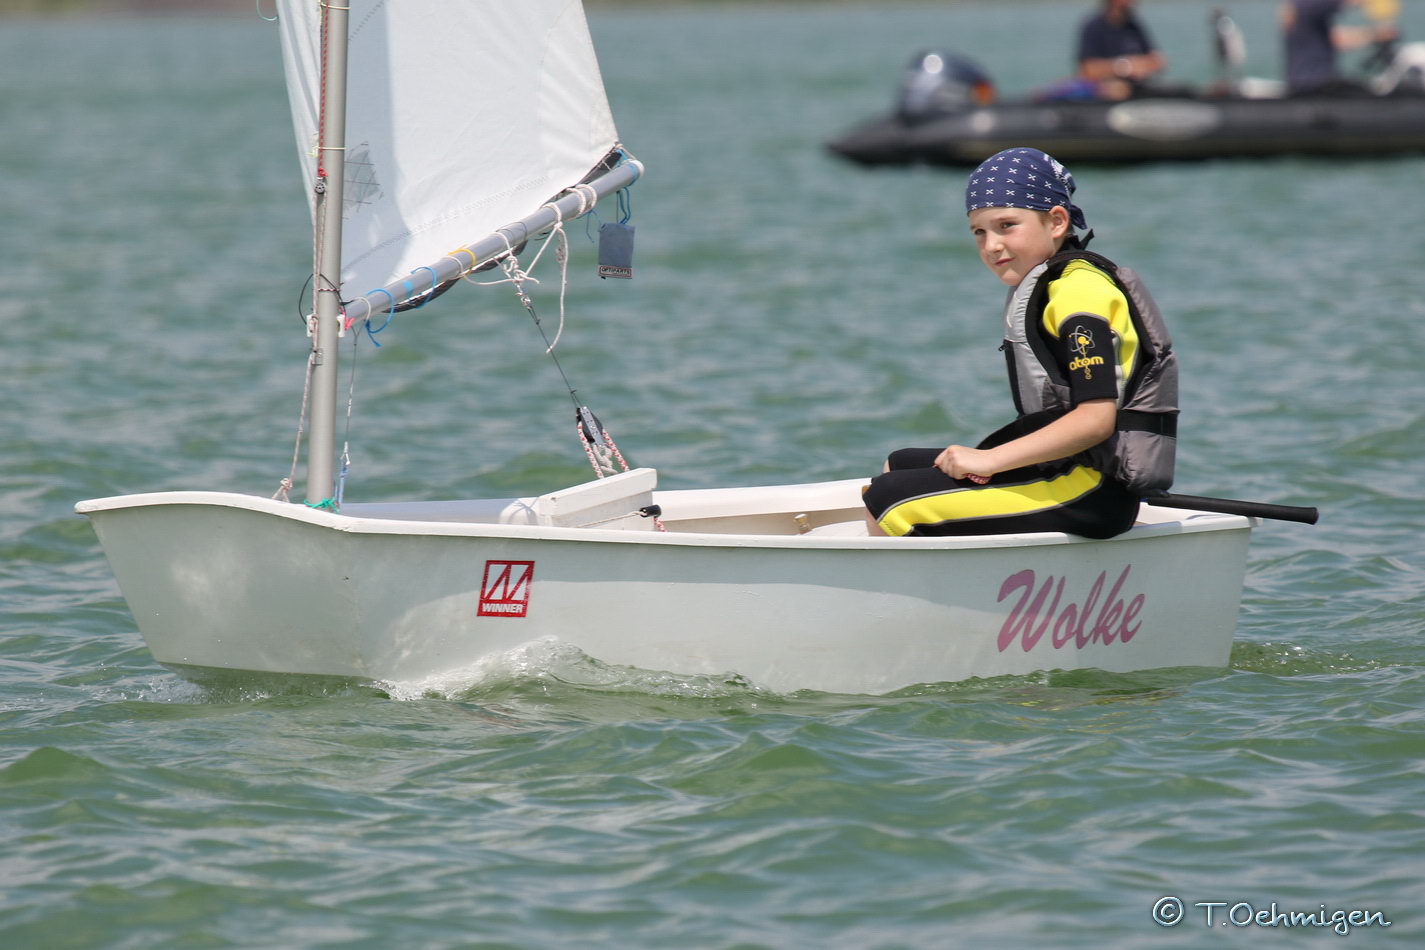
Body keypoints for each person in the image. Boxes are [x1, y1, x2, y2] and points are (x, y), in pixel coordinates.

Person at [862, 147, 1178, 539]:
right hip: (1065, 467)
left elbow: (1096, 420)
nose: (991, 245)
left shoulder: (1079, 294)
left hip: (1092, 491)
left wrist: (991, 459)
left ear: (1057, 221)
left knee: (890, 499)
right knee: (900, 464)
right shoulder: (1055, 283)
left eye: (1006, 225)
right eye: (979, 231)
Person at [1281, 0, 1399, 95]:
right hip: (1317, 84)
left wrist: (1375, 34)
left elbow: (1337, 40)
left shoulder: (1299, 7)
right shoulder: (1309, 3)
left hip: (1303, 83)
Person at [1076, 0, 1167, 95]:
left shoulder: (1134, 27)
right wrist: (1126, 67)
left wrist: (1147, 65)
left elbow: (1156, 60)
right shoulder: (1094, 27)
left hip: (1138, 88)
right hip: (1109, 93)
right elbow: (1088, 69)